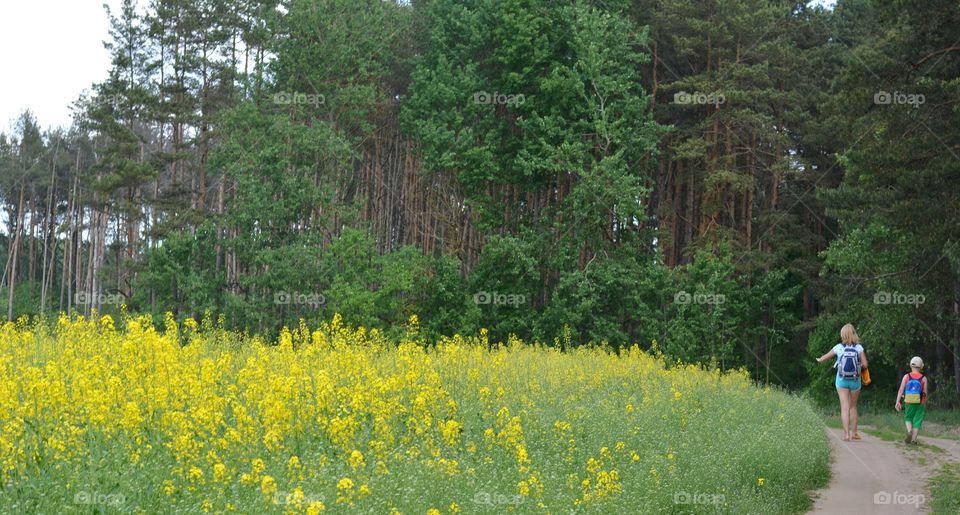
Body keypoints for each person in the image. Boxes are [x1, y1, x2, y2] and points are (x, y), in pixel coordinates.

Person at [815, 324, 869, 442]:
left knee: (845, 407)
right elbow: (865, 364)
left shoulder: (839, 347)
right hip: (855, 380)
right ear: (854, 333)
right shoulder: (859, 348)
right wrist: (858, 365)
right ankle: (854, 433)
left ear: (842, 334)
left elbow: (823, 358)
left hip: (842, 380)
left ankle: (846, 435)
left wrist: (819, 359)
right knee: (853, 407)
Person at [895, 356, 928, 445]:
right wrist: (924, 404)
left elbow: (901, 390)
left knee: (908, 418)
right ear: (921, 367)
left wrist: (897, 402)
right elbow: (925, 393)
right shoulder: (923, 378)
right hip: (920, 403)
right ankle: (913, 440)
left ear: (910, 365)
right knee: (917, 421)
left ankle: (909, 431)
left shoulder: (906, 377)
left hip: (909, 402)